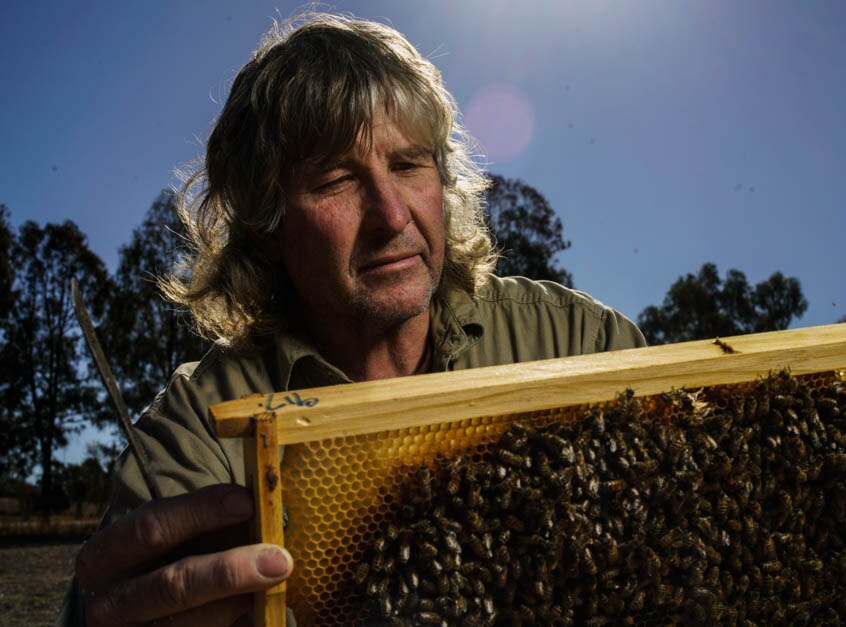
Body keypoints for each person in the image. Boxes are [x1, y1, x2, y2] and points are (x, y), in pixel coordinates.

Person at [57, 11, 645, 626]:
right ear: (265, 227)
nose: (391, 215)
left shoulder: (582, 343)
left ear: (443, 181)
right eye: (336, 180)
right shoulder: (196, 440)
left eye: (408, 165)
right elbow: (126, 593)